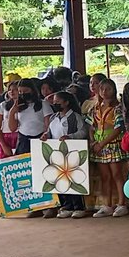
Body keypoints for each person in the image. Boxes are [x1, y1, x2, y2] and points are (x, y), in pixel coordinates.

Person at [44, 91, 89, 219]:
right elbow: (49, 131)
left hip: (71, 153)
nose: (55, 103)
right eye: (54, 101)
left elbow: (83, 131)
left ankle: (78, 206)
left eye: (58, 101)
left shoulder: (75, 117)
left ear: (66, 102)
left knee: (72, 179)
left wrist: (70, 137)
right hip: (56, 153)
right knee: (60, 180)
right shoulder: (53, 117)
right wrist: (46, 135)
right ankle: (67, 205)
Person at [88, 79, 129, 218]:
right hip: (99, 146)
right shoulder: (95, 108)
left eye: (108, 89)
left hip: (112, 144)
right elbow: (91, 126)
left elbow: (118, 129)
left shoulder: (117, 108)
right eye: (102, 89)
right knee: (104, 176)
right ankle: (107, 205)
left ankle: (122, 204)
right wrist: (94, 142)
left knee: (117, 174)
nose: (105, 92)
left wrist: (102, 143)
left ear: (114, 90)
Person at [10, 79, 54, 156]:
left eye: (26, 91)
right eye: (20, 92)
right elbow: (12, 128)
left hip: (40, 139)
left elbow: (48, 125)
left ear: (32, 90)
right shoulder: (18, 106)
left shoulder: (43, 104)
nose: (23, 94)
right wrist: (12, 112)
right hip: (23, 141)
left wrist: (47, 135)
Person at [0, 80, 20, 161]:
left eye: (15, 89)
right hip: (5, 138)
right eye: (9, 90)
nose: (11, 92)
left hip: (21, 138)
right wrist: (3, 145)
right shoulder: (3, 105)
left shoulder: (28, 105)